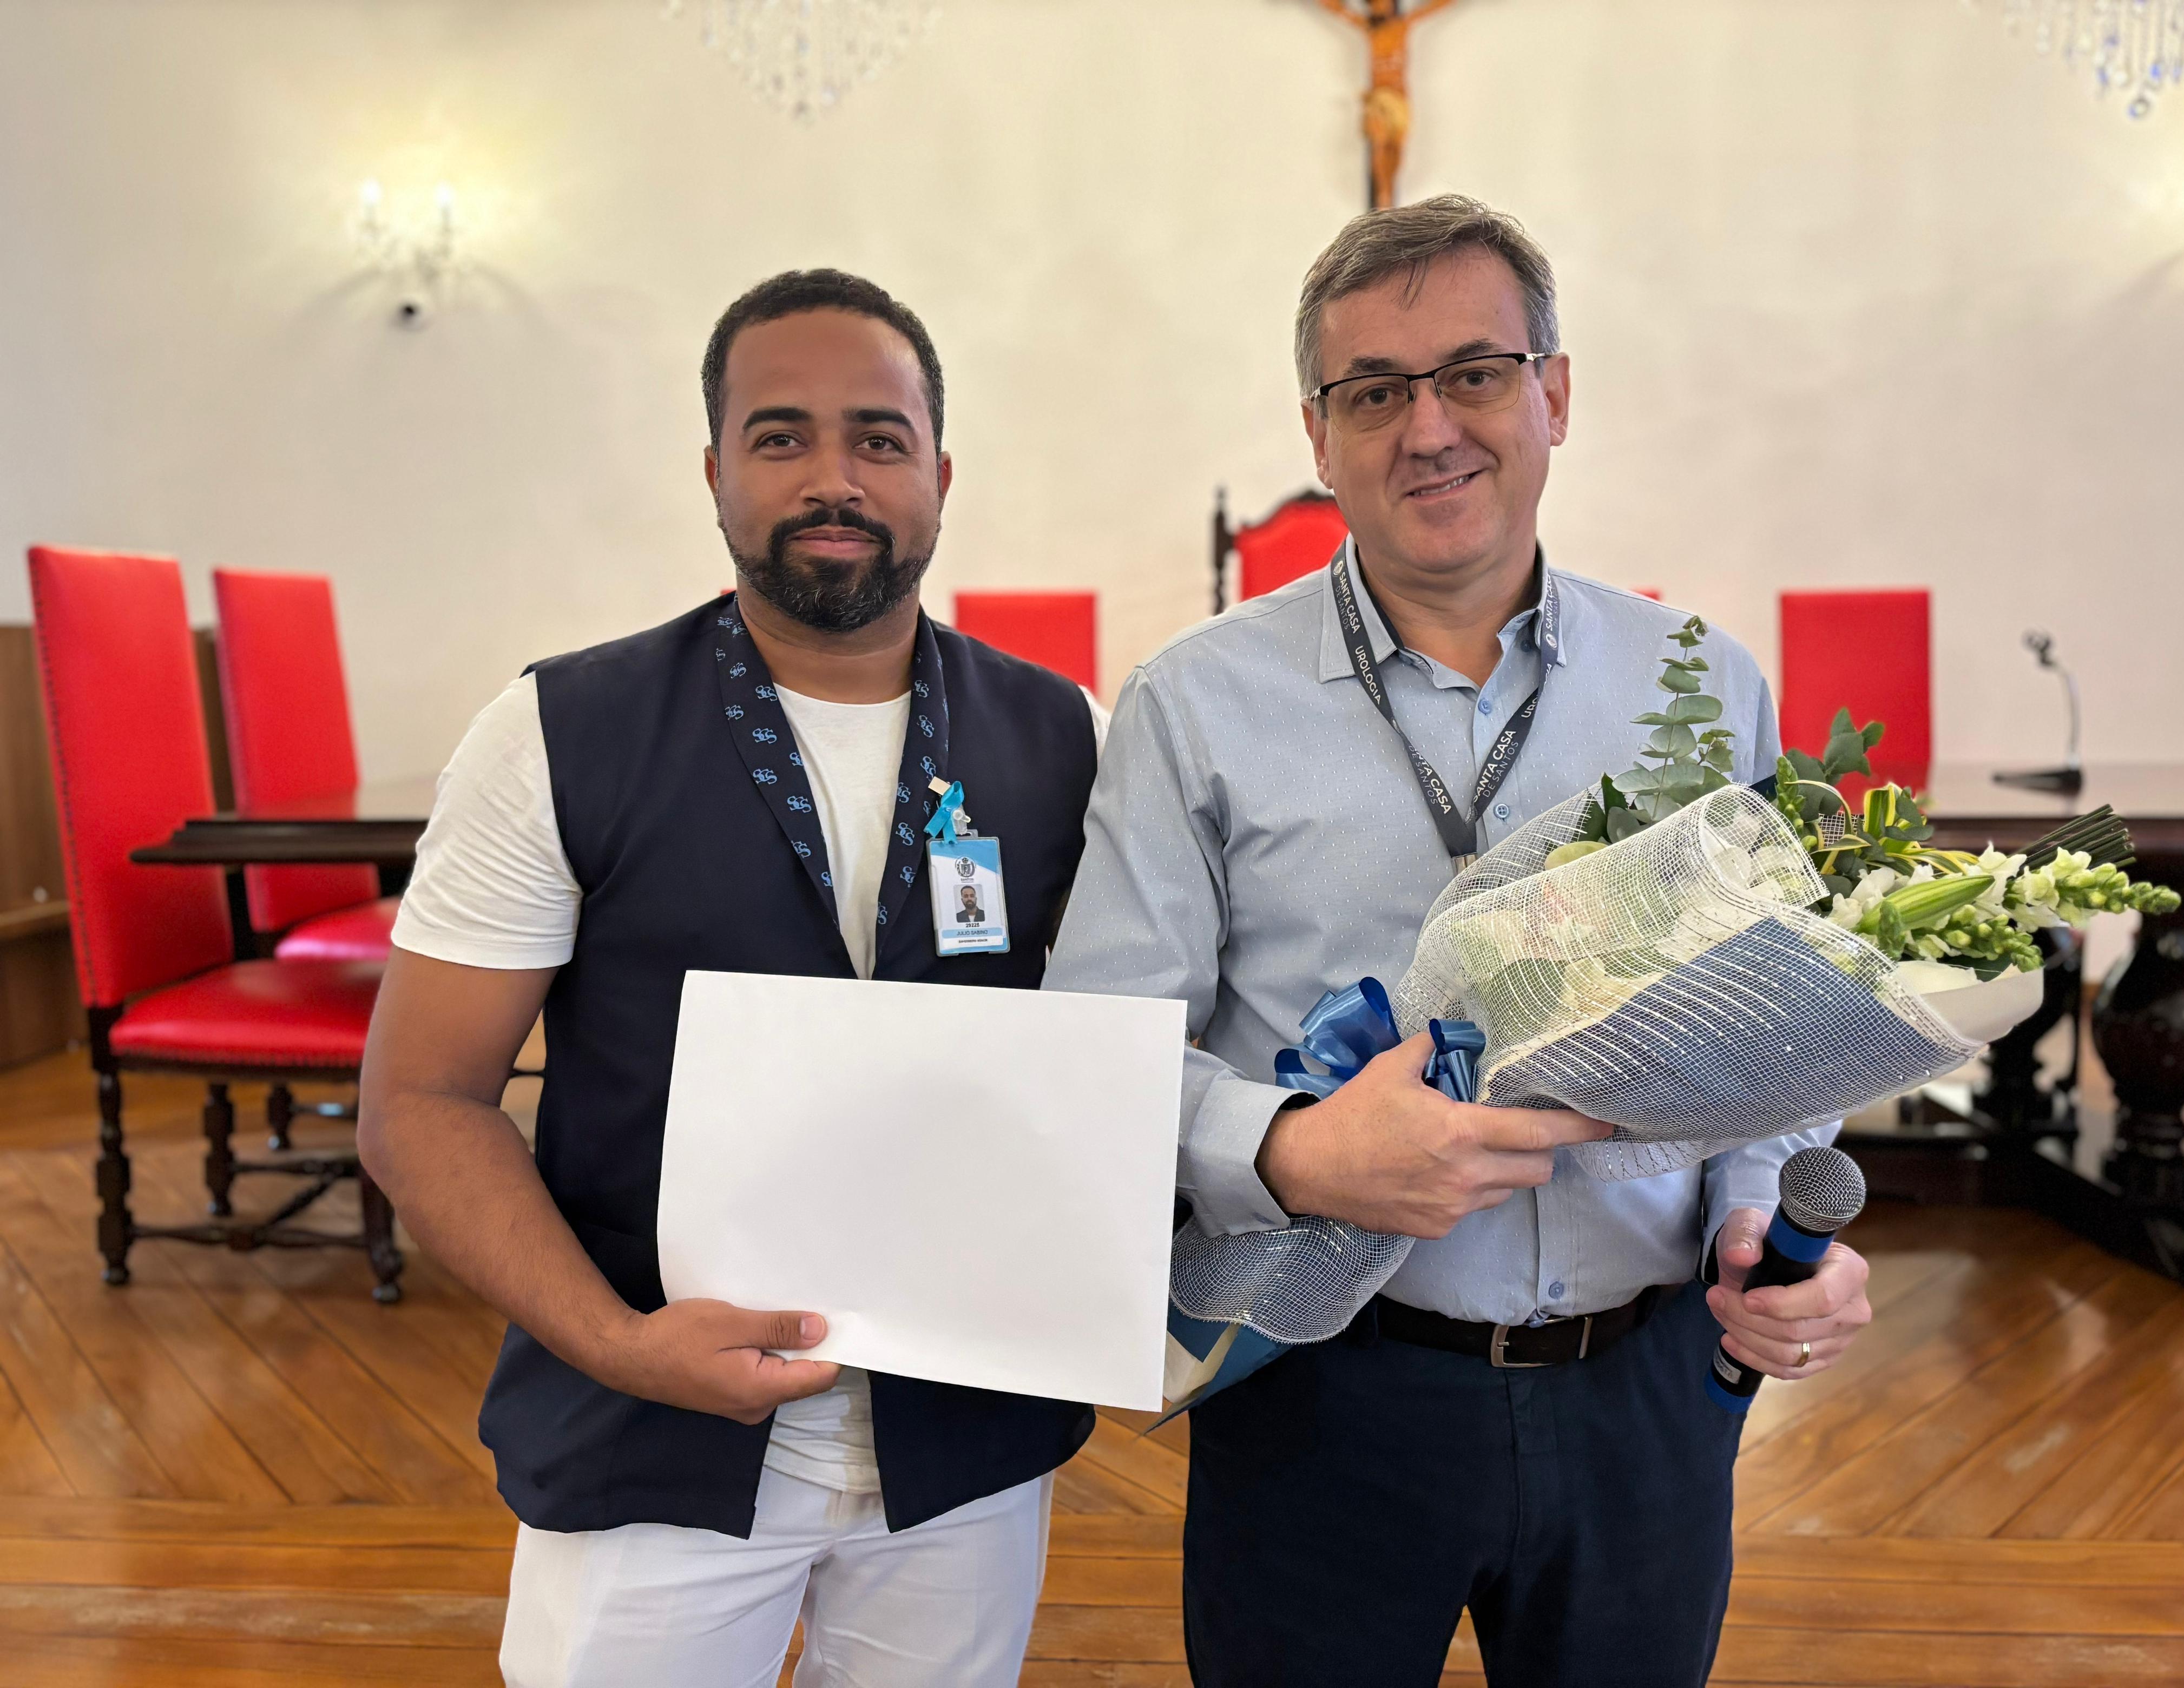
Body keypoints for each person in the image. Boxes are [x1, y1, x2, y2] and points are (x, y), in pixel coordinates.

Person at [1043, 195, 1874, 1687]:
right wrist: (1293, 1150)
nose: (1429, 429)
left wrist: (1764, 1227)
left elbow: (1779, 1024)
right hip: (1321, 1389)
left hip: (1648, 1393)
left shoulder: (1700, 681)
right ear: (1319, 435)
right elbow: (1091, 1055)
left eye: (1475, 374)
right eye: (1374, 392)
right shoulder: (1194, 704)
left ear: (1554, 393)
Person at [358, 269, 1106, 1688]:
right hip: (651, 1429)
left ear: (941, 475)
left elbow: (1124, 1060)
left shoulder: (1068, 737)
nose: (834, 477)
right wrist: (619, 1344)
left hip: (965, 1436)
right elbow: (421, 1103)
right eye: (780, 436)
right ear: (713, 471)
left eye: (879, 438)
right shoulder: (556, 733)